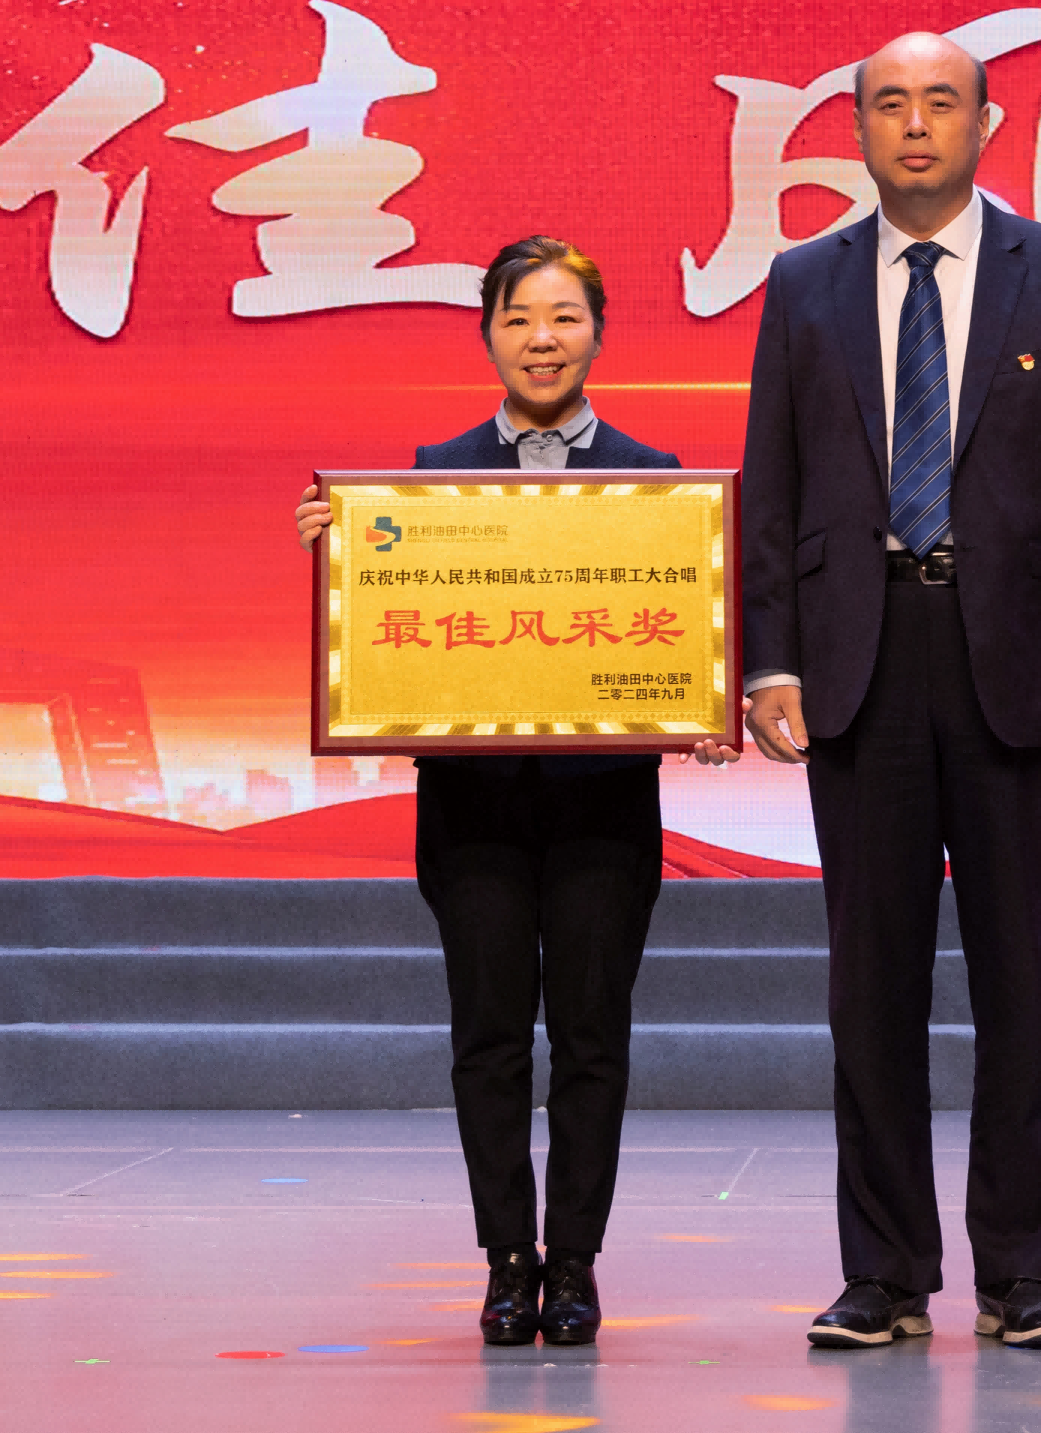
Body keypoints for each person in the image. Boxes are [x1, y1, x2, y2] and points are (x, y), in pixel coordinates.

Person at [737, 32, 1041, 1353]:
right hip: (859, 659)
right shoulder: (802, 282)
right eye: (888, 103)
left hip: (1014, 659)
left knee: (1022, 977)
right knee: (870, 985)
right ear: (855, 126)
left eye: (939, 102)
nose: (913, 124)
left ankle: (1021, 1273)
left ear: (986, 123)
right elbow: (773, 483)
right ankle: (884, 1270)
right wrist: (769, 654)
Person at [294, 234, 738, 1350]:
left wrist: (704, 697)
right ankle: (505, 1259)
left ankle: (574, 1261)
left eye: (564, 318)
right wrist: (337, 552)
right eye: (519, 319)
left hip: (603, 808)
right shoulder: (424, 478)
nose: (542, 340)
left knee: (591, 1036)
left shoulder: (657, 478)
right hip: (474, 808)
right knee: (488, 1036)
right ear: (488, 334)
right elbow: (392, 625)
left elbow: (686, 629)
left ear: (599, 333)